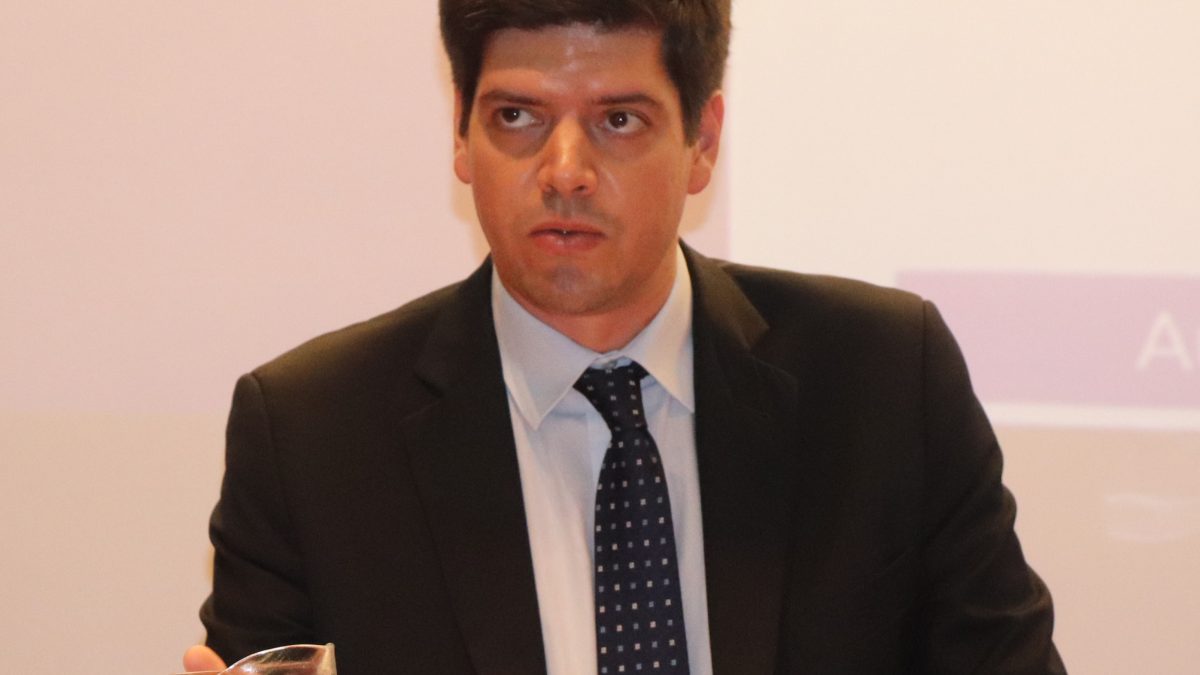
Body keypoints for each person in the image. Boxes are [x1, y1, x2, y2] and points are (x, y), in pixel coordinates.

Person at [186, 1, 1066, 673]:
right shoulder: (311, 437)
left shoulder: (883, 381)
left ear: (702, 142)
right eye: (517, 117)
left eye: (618, 120)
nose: (564, 172)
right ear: (460, 133)